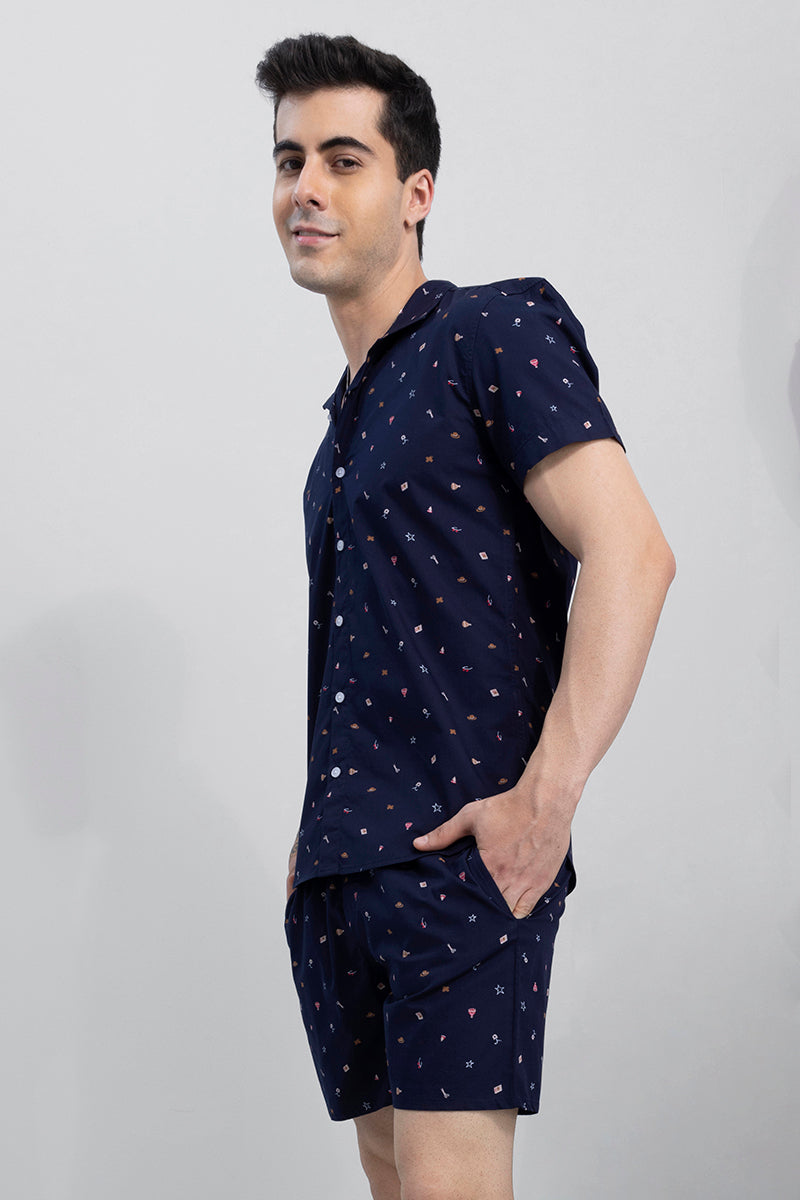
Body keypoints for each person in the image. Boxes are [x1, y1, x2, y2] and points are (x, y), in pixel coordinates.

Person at [256, 32, 675, 1200]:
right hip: (342, 877)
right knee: (391, 1181)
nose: (305, 187)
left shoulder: (488, 334)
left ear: (416, 191)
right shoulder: (338, 435)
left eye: (343, 159)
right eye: (288, 160)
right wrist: (315, 845)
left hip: (455, 868)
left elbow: (632, 551)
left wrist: (547, 797)